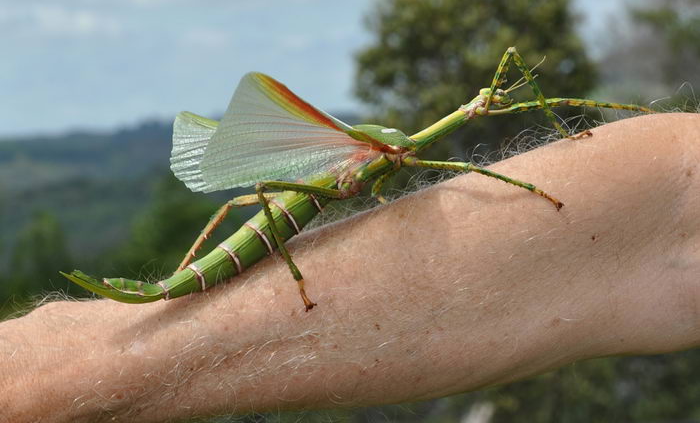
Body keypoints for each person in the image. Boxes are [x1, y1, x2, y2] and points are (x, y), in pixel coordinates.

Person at [2, 112, 699, 423]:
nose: (483, 109)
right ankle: (169, 288)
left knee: (254, 203)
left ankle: (161, 294)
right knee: (256, 203)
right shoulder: (379, 153)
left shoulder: (397, 152)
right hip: (284, 207)